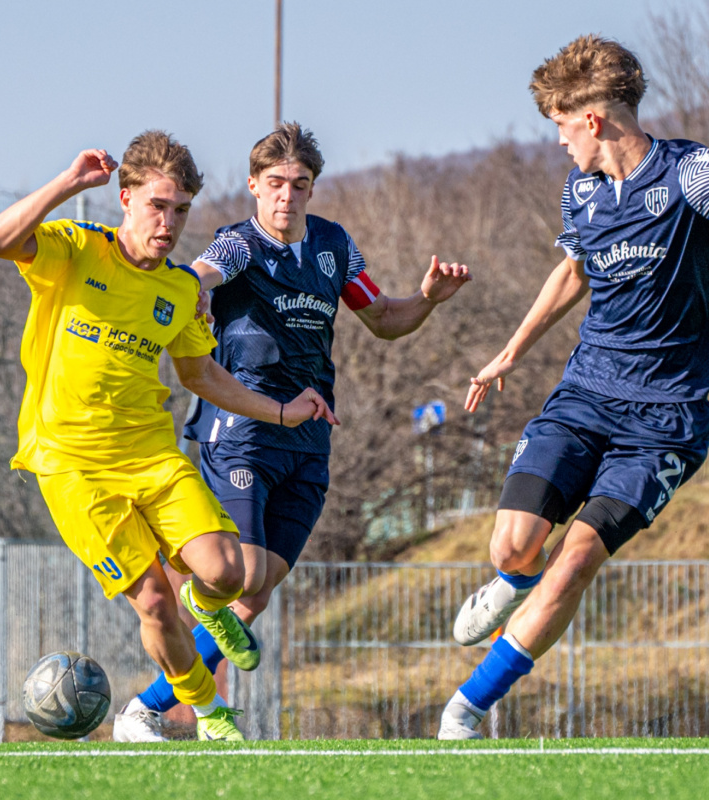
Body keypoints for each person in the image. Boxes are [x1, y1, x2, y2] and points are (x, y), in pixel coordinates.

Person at [113, 121, 471, 742]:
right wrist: (193, 287)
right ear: (254, 186)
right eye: (274, 183)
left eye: (299, 184)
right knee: (241, 578)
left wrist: (429, 298)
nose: (286, 196)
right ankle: (175, 678)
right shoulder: (240, 243)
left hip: (310, 435)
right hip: (243, 429)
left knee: (255, 596)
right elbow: (204, 270)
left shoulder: (333, 248)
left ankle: (145, 708)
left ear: (312, 189)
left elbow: (384, 319)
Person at [0, 130, 337, 742]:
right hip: (73, 466)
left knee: (229, 575)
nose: (168, 222)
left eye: (180, 210)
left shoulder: (177, 290)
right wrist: (68, 184)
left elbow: (201, 375)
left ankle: (206, 610)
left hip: (152, 455)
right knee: (151, 600)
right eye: (157, 205)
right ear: (125, 198)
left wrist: (280, 411)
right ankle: (207, 710)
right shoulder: (75, 251)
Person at [438, 34, 709, 739]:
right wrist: (509, 352)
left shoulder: (684, 169)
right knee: (514, 547)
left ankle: (468, 708)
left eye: (560, 126)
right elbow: (574, 271)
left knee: (576, 558)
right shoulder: (581, 190)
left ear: (592, 120)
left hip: (664, 418)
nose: (559, 142)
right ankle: (510, 583)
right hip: (586, 395)